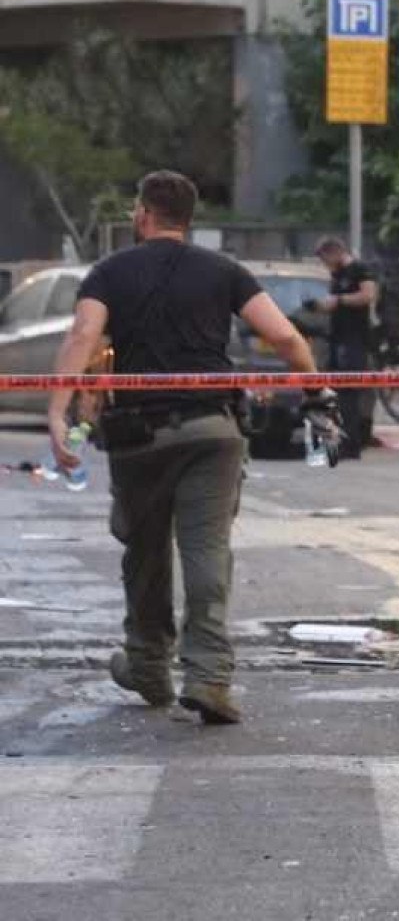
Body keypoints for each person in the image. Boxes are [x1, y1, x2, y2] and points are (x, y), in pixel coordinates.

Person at [48, 171, 327, 725]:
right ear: (189, 218)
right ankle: (209, 678)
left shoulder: (110, 272)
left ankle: (149, 668)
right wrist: (316, 388)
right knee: (206, 551)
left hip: (140, 437)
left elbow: (83, 337)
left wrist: (58, 414)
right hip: (212, 429)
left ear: (143, 214)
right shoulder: (223, 271)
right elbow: (288, 338)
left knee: (146, 552)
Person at [310, 237, 378, 458]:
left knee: (350, 393)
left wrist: (339, 301)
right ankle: (340, 439)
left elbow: (368, 295)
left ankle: (353, 443)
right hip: (337, 339)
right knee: (335, 393)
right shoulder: (337, 275)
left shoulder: (360, 270)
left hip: (354, 340)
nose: (326, 265)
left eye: (326, 259)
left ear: (336, 252)